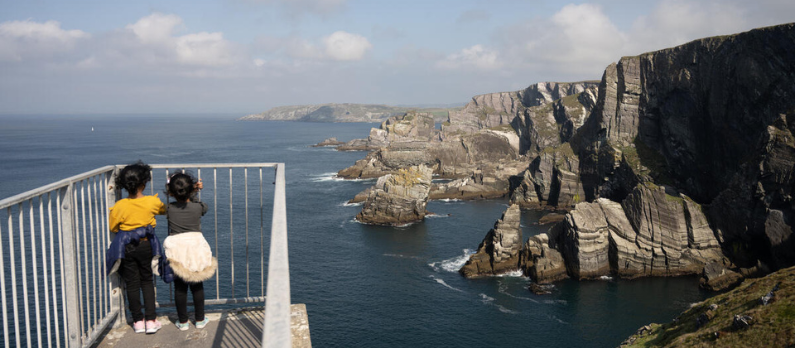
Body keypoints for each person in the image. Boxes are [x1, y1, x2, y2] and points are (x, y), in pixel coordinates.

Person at [106, 161, 165, 334]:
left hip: (126, 247)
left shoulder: (119, 206)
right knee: (146, 281)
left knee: (131, 284)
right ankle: (151, 321)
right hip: (146, 244)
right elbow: (163, 209)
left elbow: (113, 227)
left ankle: (138, 322)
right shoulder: (151, 202)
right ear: (143, 183)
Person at [163, 172, 217, 330]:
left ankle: (183, 322)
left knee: (180, 288)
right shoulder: (198, 207)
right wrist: (194, 192)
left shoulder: (169, 209)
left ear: (171, 192)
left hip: (178, 249)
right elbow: (202, 207)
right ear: (191, 190)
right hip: (195, 248)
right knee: (197, 285)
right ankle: (200, 320)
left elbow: (176, 203)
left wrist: (188, 191)